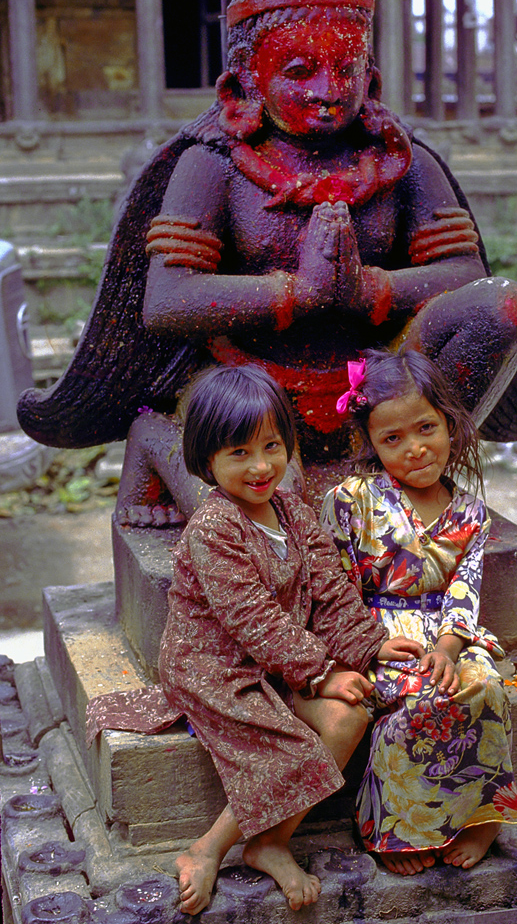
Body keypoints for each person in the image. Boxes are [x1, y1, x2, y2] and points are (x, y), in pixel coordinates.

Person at [17, 0, 517, 523]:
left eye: (345, 69)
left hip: (376, 376)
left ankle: (382, 472)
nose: (327, 92)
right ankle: (157, 441)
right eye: (300, 70)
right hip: (248, 385)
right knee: (273, 529)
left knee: (505, 309)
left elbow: (465, 275)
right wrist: (295, 293)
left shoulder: (403, 161)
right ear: (246, 78)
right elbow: (164, 302)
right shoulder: (213, 163)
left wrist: (368, 289)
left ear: (370, 74)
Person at [86, 364, 424, 913]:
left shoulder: (293, 511)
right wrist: (320, 673)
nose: (262, 466)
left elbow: (330, 588)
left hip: (276, 661)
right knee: (281, 743)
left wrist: (368, 645)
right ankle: (209, 847)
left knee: (349, 718)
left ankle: (269, 841)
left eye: (272, 446)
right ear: (207, 459)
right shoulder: (215, 526)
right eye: (239, 453)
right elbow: (252, 618)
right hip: (214, 666)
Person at [320, 348, 517, 877]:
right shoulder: (351, 500)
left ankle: (484, 816)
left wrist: (452, 648)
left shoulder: (470, 513)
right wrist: (355, 649)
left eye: (426, 428)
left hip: (445, 632)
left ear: (450, 425)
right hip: (376, 633)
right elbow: (334, 585)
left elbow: (466, 585)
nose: (414, 448)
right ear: (371, 444)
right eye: (392, 439)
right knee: (413, 700)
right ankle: (398, 829)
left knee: (483, 686)